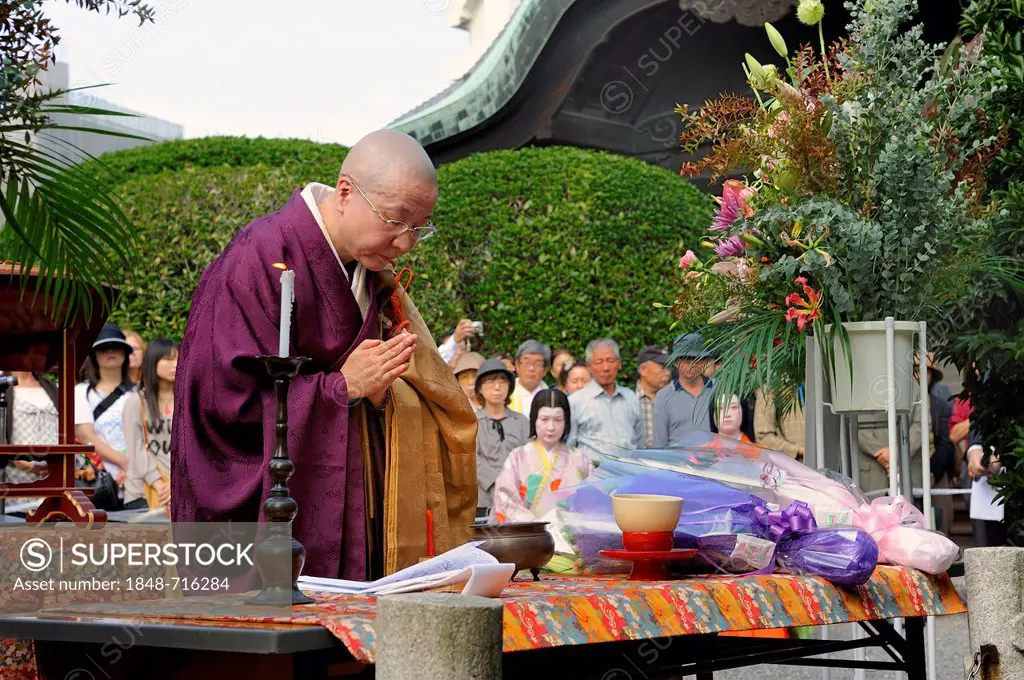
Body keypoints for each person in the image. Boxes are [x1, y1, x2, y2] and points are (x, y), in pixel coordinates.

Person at [172, 129, 477, 580]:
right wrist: (340, 388)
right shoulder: (260, 256)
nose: (405, 244)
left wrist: (379, 394)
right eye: (395, 221)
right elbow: (220, 403)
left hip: (350, 500)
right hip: (255, 514)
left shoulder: (369, 272)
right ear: (346, 192)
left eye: (418, 229)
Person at [491, 389, 593, 523]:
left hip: (571, 536)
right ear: (534, 419)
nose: (551, 427)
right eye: (544, 419)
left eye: (558, 419)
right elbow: (506, 500)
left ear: (566, 422)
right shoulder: (518, 457)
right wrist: (537, 525)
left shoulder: (580, 459)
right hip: (529, 536)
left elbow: (592, 503)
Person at [74, 322, 136, 509]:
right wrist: (126, 464)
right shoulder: (81, 392)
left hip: (139, 481)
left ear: (125, 353)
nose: (110, 351)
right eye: (103, 348)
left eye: (116, 347)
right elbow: (86, 436)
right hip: (98, 482)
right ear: (94, 355)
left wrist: (137, 470)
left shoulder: (141, 392)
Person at [122, 339, 178, 512]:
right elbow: (136, 448)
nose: (175, 364)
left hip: (179, 490)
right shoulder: (136, 402)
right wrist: (159, 484)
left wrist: (176, 485)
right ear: (153, 362)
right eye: (168, 359)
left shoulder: (189, 402)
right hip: (142, 492)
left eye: (179, 358)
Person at [568, 338, 644, 465]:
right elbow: (570, 446)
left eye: (610, 361)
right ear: (589, 366)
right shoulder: (576, 401)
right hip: (593, 475)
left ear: (619, 364)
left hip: (629, 473)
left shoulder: (630, 397)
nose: (606, 367)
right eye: (599, 362)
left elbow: (640, 442)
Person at [474, 359, 529, 516]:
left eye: (502, 381)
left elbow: (530, 455)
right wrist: (499, 481)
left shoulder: (522, 421)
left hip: (519, 497)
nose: (497, 387)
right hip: (484, 499)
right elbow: (472, 459)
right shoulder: (471, 422)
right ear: (480, 388)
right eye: (491, 382)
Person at [2, 371, 58, 515]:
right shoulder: (2, 385)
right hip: (14, 485)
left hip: (52, 484)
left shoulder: (52, 387)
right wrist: (18, 461)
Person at [653, 332, 714, 448]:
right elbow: (659, 444)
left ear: (704, 362)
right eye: (685, 359)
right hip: (677, 464)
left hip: (715, 462)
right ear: (676, 362)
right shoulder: (664, 396)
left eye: (696, 359)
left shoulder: (718, 389)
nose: (691, 365)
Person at [753, 387, 805, 460]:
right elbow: (763, 438)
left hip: (823, 463)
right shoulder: (770, 389)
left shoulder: (818, 384)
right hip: (793, 466)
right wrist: (797, 450)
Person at [635, 345, 671, 449]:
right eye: (662, 367)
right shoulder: (629, 400)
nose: (667, 373)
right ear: (643, 369)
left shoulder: (673, 398)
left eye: (669, 367)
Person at [509, 339, 550, 416]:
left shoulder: (552, 397)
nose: (531, 368)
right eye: (526, 363)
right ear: (517, 366)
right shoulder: (505, 394)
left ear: (545, 370)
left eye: (537, 364)